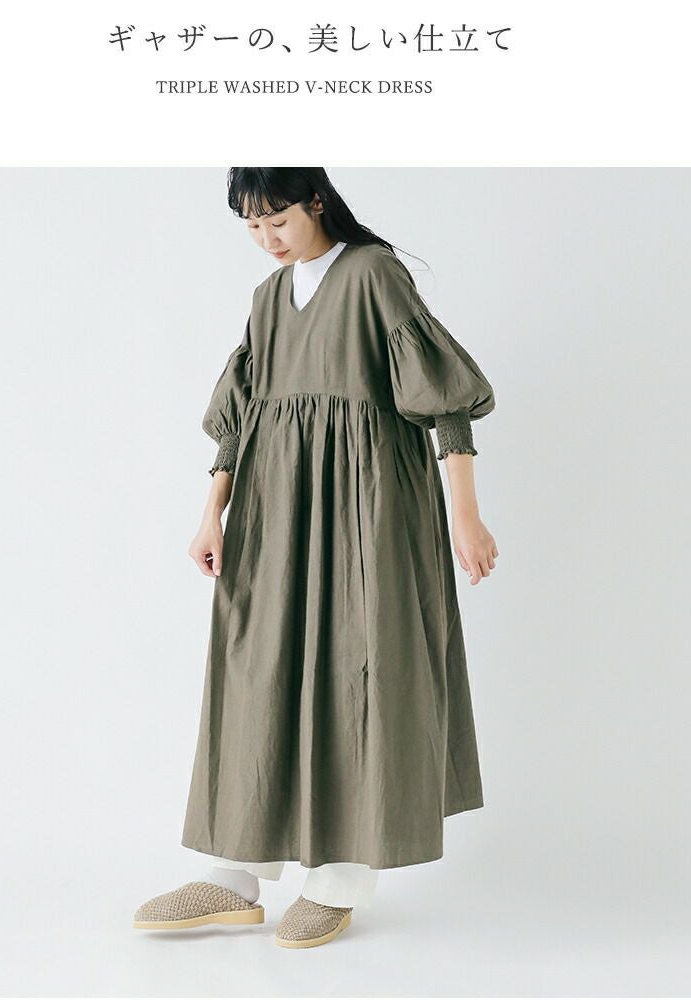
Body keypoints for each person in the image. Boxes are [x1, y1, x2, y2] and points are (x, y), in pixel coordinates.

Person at [133, 167, 498, 949]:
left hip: (369, 503)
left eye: (278, 220)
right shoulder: (268, 298)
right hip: (275, 502)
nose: (267, 239)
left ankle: (338, 876)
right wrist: (211, 512)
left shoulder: (372, 275)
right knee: (256, 664)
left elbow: (443, 399)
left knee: (357, 666)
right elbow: (242, 416)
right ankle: (233, 874)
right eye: (252, 227)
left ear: (317, 202)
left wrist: (464, 515)